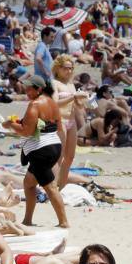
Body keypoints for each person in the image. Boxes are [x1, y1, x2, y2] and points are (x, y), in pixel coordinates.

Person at [2, 75, 68, 228]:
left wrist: (11, 124)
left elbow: (26, 132)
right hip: (53, 145)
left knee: (50, 187)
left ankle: (64, 222)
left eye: (29, 88)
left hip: (41, 149)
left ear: (39, 89)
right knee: (29, 183)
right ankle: (27, 220)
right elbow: (53, 126)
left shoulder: (35, 104)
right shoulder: (52, 102)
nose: (26, 91)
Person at [51, 54, 82, 189]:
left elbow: (76, 104)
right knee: (59, 157)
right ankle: (53, 187)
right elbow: (55, 103)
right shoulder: (54, 83)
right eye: (65, 68)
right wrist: (73, 97)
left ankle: (61, 187)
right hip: (60, 120)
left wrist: (82, 101)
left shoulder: (71, 85)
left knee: (70, 157)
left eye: (71, 68)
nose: (68, 71)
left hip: (72, 121)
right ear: (58, 68)